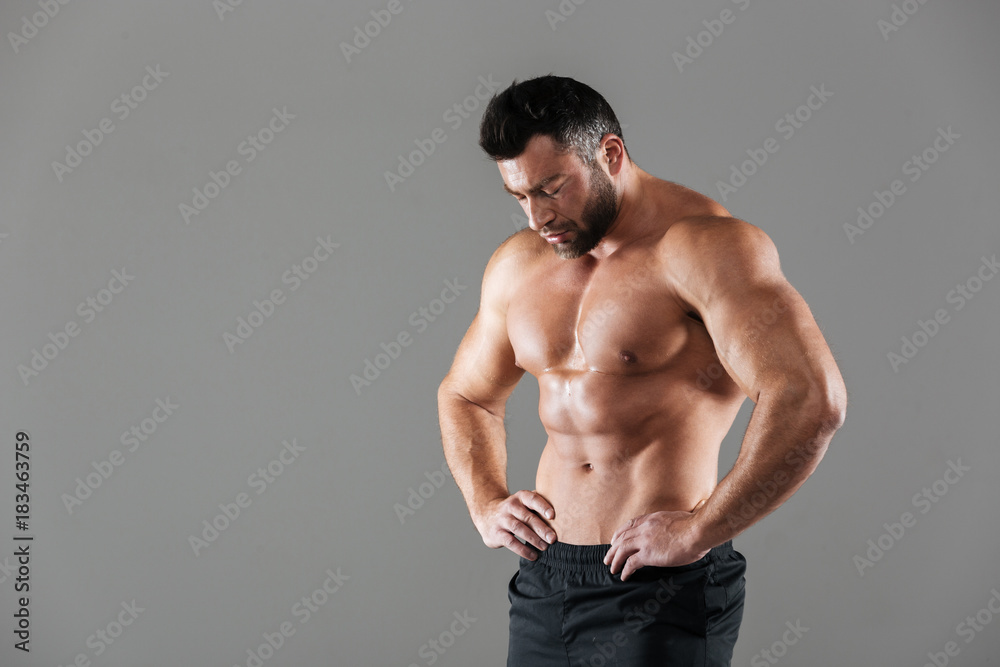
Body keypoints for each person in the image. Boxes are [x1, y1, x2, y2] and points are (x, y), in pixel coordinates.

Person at [436, 74, 847, 666]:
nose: (537, 217)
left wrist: (699, 530)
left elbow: (811, 399)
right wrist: (484, 502)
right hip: (545, 581)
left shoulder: (706, 249)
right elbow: (466, 396)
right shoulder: (518, 265)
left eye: (552, 188)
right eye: (520, 196)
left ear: (609, 154)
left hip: (659, 586)